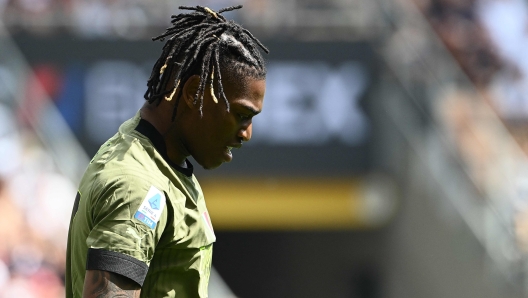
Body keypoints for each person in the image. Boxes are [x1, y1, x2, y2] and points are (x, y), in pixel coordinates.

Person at [65, 5, 268, 297]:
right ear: (193, 93)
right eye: (241, 115)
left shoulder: (156, 159)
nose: (246, 133)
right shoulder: (136, 186)